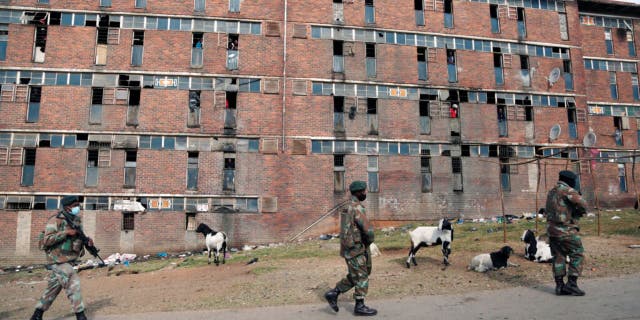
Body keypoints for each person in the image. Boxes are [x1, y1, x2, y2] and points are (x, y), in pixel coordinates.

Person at [30, 196, 91, 320]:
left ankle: (37, 314)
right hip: (57, 259)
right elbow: (47, 240)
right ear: (68, 206)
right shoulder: (56, 220)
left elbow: (78, 238)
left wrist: (88, 241)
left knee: (53, 287)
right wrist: (65, 233)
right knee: (73, 281)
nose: (78, 207)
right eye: (75, 205)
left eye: (78, 205)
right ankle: (80, 315)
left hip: (68, 258)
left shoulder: (77, 220)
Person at [324, 181, 377, 316]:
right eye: (364, 191)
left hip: (349, 248)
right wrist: (369, 242)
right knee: (361, 276)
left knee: (357, 275)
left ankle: (333, 293)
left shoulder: (348, 207)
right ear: (359, 192)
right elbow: (368, 231)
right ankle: (359, 306)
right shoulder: (357, 208)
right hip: (356, 249)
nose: (365, 193)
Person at [545, 170, 587, 296]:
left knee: (558, 256)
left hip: (552, 231)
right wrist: (577, 212)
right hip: (566, 230)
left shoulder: (551, 191)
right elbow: (583, 205)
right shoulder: (568, 190)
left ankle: (559, 286)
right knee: (577, 254)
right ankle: (572, 284)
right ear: (570, 180)